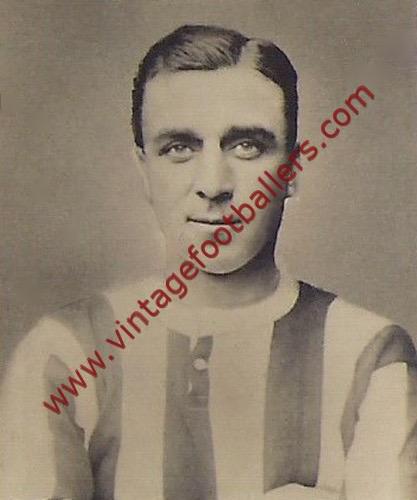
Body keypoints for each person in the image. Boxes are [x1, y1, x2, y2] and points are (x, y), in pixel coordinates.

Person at [1, 24, 416, 500]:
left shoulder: (370, 356)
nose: (214, 184)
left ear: (291, 170)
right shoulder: (63, 354)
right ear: (144, 171)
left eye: (247, 146)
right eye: (179, 148)